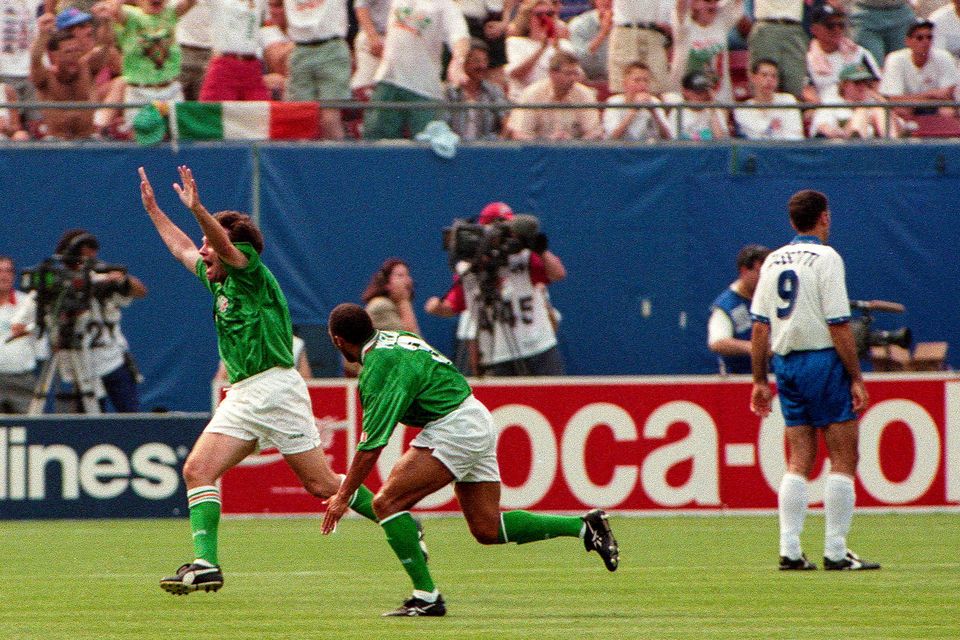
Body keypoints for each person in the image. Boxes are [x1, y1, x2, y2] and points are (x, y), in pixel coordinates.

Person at [138, 165, 382, 594]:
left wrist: (198, 209)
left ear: (230, 247)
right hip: (245, 393)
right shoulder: (219, 285)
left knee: (321, 485)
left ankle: (397, 514)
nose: (203, 252)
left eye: (209, 246)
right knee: (198, 470)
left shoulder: (250, 273)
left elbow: (220, 246)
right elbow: (181, 249)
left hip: (273, 387)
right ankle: (206, 564)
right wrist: (156, 212)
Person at [321, 303, 619, 616]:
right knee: (487, 528)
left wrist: (343, 497)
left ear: (338, 341)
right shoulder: (393, 339)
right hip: (473, 414)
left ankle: (426, 597)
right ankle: (585, 526)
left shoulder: (380, 364)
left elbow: (372, 445)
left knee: (386, 504)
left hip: (454, 427)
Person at [749, 189, 881, 572]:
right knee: (844, 455)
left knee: (800, 457)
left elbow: (760, 328)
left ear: (792, 222)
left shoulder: (773, 260)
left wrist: (759, 380)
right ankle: (836, 551)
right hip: (822, 362)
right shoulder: (827, 258)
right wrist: (855, 376)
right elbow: (838, 324)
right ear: (824, 217)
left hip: (786, 363)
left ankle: (790, 549)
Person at [424, 207, 567, 376]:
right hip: (497, 354)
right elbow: (455, 305)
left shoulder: (525, 256)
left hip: (538, 346)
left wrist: (540, 249)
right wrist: (437, 307)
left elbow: (557, 273)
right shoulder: (470, 269)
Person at [52, 229, 147, 413]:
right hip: (79, 361)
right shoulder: (58, 283)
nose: (87, 257)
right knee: (87, 419)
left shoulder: (103, 279)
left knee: (130, 413)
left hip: (111, 358)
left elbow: (140, 291)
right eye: (81, 251)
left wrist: (119, 279)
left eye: (91, 251)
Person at [361, 0, 470, 140]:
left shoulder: (445, 5)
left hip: (424, 90)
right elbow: (361, 6)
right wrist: (372, 36)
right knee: (375, 145)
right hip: (388, 82)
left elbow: (461, 37)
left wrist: (458, 62)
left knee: (429, 147)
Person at [283, 0, 351, 139]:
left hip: (331, 47)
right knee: (300, 118)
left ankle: (338, 159)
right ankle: (303, 160)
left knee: (329, 119)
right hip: (300, 49)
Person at [510, 50, 603, 140]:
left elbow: (594, 132)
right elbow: (519, 134)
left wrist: (576, 143)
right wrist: (547, 141)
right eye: (568, 74)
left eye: (575, 73)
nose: (573, 78)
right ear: (552, 74)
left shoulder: (585, 94)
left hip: (575, 151)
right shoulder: (531, 94)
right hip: (538, 152)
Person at [707, 243, 769, 374]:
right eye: (760, 272)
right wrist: (754, 348)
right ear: (744, 271)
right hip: (739, 378)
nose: (765, 278)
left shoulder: (772, 297)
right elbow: (717, 342)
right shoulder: (726, 305)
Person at [879, 19, 959, 117]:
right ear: (908, 41)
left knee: (947, 111)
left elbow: (947, 95)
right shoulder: (895, 59)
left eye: (929, 37)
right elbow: (894, 99)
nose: (925, 42)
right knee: (900, 110)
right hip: (908, 109)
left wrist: (910, 99)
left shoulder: (944, 57)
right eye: (920, 38)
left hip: (936, 108)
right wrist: (930, 94)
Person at [669, 0, 743, 102]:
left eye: (715, 1)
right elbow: (680, 6)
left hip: (719, 98)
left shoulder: (721, 21)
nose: (713, 5)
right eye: (707, 1)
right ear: (694, 4)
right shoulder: (684, 26)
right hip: (686, 97)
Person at [805, 4, 883, 103]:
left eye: (841, 25)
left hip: (860, 106)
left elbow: (875, 86)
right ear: (814, 29)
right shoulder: (806, 59)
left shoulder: (859, 53)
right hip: (826, 108)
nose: (837, 30)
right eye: (830, 26)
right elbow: (807, 91)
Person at [810, 62, 903, 138]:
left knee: (878, 109)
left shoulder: (873, 103)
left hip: (872, 149)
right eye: (857, 83)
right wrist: (843, 131)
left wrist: (883, 102)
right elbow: (823, 129)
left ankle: (894, 151)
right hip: (842, 149)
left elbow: (901, 128)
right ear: (844, 85)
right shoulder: (832, 102)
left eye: (866, 82)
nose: (863, 87)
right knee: (862, 110)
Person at [505, 0, 574, 100]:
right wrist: (542, 48)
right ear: (528, 18)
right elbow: (516, 74)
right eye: (539, 15)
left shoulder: (564, 45)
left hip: (556, 101)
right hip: (525, 102)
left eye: (550, 14)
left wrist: (557, 46)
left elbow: (578, 76)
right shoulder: (514, 43)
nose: (545, 18)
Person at [445, 39, 509, 141]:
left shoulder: (494, 91)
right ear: (463, 62)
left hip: (487, 150)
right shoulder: (449, 92)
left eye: (485, 61)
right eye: (476, 61)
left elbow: (506, 122)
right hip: (454, 148)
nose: (482, 66)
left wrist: (499, 145)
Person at [0, 256, 39, 414]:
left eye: (8, 271)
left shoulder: (28, 303)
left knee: (29, 431)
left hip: (22, 381)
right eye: (0, 271)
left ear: (14, 276)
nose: (4, 275)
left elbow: (40, 337)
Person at [608, 0, 673, 93]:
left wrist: (670, 22)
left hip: (656, 33)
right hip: (627, 30)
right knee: (623, 84)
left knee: (658, 85)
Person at [733, 58, 804, 139]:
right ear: (753, 78)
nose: (769, 80)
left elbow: (795, 136)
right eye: (764, 75)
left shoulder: (788, 100)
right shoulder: (742, 110)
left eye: (773, 76)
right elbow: (756, 137)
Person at [748, 0, 807, 98]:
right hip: (767, 24)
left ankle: (791, 112)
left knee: (795, 83)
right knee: (762, 80)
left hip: (794, 26)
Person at [603, 60, 670, 140]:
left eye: (646, 81)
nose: (642, 85)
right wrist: (633, 111)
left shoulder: (654, 102)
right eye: (637, 80)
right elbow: (612, 137)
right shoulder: (614, 102)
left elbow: (668, 137)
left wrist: (654, 113)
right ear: (625, 83)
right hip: (621, 150)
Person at [662, 70, 731, 139]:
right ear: (685, 91)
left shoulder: (714, 110)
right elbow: (673, 140)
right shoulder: (678, 112)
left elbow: (720, 139)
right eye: (697, 93)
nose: (701, 96)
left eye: (704, 92)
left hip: (709, 149)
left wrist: (712, 107)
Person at [362, 258, 422, 335]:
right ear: (386, 282)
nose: (408, 281)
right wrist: (404, 301)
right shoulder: (382, 306)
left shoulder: (394, 305)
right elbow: (410, 339)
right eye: (400, 276)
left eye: (407, 275)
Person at [568, 0, 613, 83]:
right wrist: (602, 34)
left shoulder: (627, 26)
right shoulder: (579, 24)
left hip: (620, 82)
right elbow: (578, 60)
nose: (607, 1)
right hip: (587, 81)